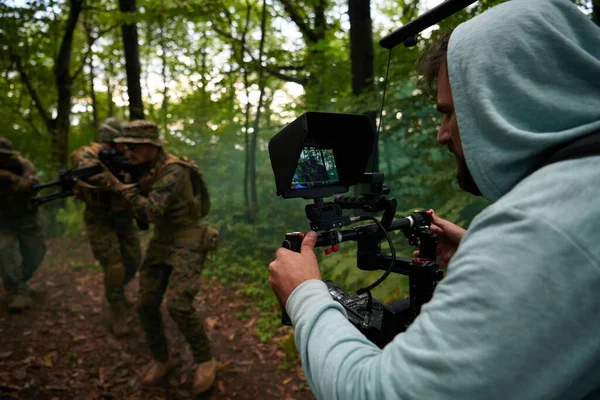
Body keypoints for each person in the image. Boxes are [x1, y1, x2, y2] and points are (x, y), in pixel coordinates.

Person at [268, 0, 600, 399]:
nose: (443, 134)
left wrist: (304, 295)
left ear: (506, 102)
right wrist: (481, 250)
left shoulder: (542, 229)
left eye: (449, 114)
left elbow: (376, 393)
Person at [108, 120, 216, 395]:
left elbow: (150, 212)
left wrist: (123, 189)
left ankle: (205, 360)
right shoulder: (146, 168)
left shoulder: (174, 170)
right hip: (162, 241)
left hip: (188, 238)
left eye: (134, 147)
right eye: (125, 146)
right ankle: (161, 358)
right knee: (145, 304)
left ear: (151, 146)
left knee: (178, 305)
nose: (128, 152)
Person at [71, 117, 142, 336]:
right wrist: (115, 180)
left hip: (123, 217)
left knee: (133, 260)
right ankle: (117, 311)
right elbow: (88, 172)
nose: (126, 146)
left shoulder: (127, 155)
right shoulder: (89, 153)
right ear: (110, 139)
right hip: (99, 217)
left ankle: (117, 291)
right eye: (122, 141)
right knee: (114, 266)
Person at [0, 138, 46, 312]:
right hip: (4, 219)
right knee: (3, 251)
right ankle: (16, 291)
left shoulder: (22, 165)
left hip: (27, 215)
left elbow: (31, 184)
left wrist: (10, 178)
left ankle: (20, 283)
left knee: (37, 252)